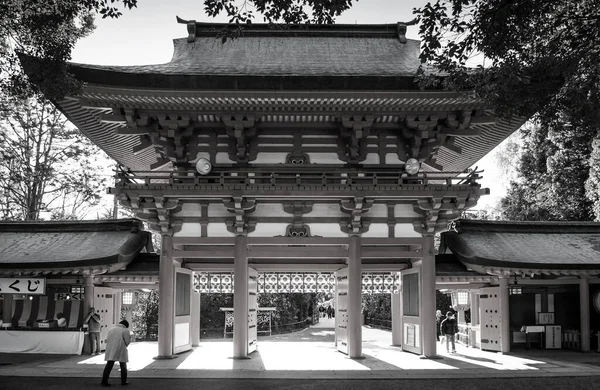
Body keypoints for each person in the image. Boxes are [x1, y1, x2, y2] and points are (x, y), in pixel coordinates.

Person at [101, 320, 131, 387]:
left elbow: (107, 339)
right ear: (126, 325)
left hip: (111, 348)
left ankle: (104, 380)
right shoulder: (125, 330)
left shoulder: (112, 329)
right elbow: (127, 341)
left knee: (109, 364)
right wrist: (125, 345)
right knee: (123, 365)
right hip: (121, 348)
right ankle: (123, 381)